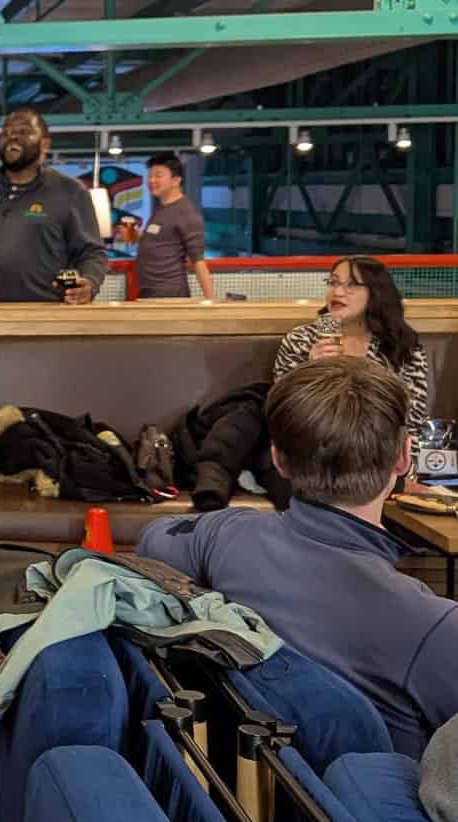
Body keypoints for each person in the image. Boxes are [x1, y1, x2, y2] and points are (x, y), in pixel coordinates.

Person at [138, 355, 458, 757]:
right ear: (404, 457)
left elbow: (151, 540)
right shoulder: (434, 628)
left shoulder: (223, 536)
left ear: (278, 460)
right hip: (358, 815)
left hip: (233, 794)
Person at [0, 107, 109, 304]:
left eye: (23, 131)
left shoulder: (70, 192)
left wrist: (89, 284)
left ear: (45, 144)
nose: (12, 137)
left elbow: (92, 253)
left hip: (44, 317)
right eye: (6, 132)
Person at [271, 255, 431, 437]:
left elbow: (411, 421)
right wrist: (311, 371)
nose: (337, 292)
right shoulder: (301, 340)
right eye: (333, 282)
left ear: (376, 293)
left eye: (352, 285)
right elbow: (284, 413)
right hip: (315, 446)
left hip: (381, 447)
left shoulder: (402, 346)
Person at [136, 151, 215, 300]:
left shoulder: (187, 213)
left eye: (158, 175)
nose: (151, 180)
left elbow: (198, 261)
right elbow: (161, 241)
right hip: (149, 292)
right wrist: (136, 236)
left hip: (170, 294)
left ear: (176, 180)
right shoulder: (160, 208)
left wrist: (211, 303)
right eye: (150, 176)